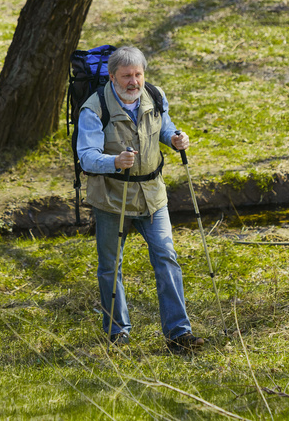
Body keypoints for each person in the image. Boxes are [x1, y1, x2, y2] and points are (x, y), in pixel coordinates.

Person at [76, 46, 205, 353]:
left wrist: (175, 138)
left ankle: (178, 333)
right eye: (126, 76)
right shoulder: (93, 109)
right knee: (111, 266)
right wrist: (113, 162)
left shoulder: (155, 96)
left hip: (152, 196)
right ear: (112, 77)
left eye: (138, 74)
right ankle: (118, 334)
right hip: (111, 198)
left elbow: (165, 127)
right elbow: (86, 157)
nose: (133, 82)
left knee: (166, 257)